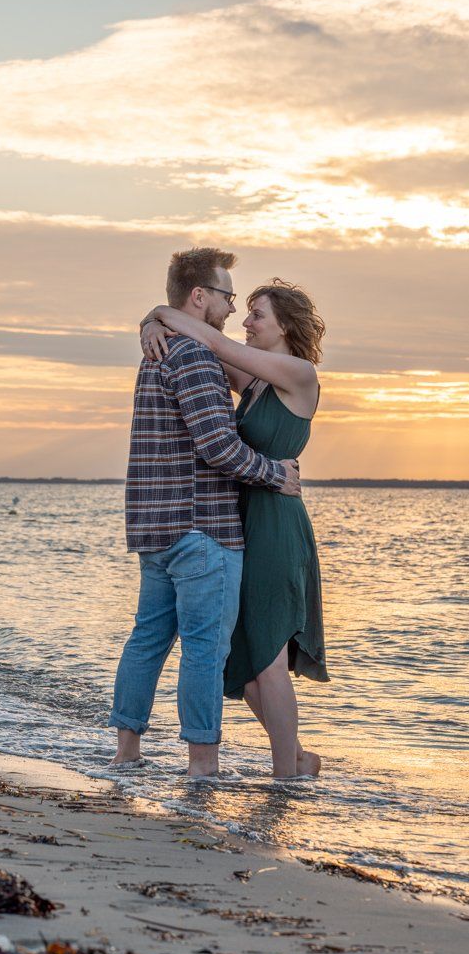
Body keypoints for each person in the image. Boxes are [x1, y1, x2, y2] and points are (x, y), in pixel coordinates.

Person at [108, 249, 301, 778]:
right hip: (201, 528)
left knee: (147, 637)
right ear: (200, 297)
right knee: (202, 651)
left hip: (154, 527)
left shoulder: (161, 346)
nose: (231, 307)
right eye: (226, 296)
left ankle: (127, 753)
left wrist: (151, 316)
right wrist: (276, 473)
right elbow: (219, 446)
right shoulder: (192, 356)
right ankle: (202, 765)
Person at [139, 278, 329, 779]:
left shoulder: (298, 374)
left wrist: (160, 308)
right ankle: (296, 759)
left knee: (267, 657)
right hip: (242, 522)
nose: (245, 322)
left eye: (258, 315)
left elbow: (214, 341)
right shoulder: (256, 382)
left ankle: (285, 778)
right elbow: (197, 343)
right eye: (244, 312)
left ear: (285, 324)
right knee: (241, 664)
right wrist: (149, 324)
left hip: (278, 524)